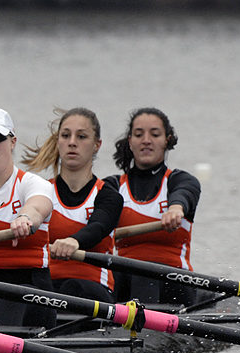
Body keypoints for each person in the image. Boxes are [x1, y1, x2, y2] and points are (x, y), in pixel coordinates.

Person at [0, 106, 56, 328]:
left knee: (10, 298)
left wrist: (26, 218)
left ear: (12, 141)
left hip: (32, 288)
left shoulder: (34, 184)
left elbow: (38, 206)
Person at [22, 107, 123, 302]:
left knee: (73, 287)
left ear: (97, 145)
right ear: (58, 142)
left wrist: (74, 241)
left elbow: (98, 226)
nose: (72, 142)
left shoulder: (109, 196)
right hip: (47, 288)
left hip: (93, 290)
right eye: (66, 135)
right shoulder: (40, 193)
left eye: (82, 137)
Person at [105, 107, 202, 305]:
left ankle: (143, 330)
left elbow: (184, 194)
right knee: (103, 276)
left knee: (144, 273)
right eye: (139, 134)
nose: (146, 140)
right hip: (125, 280)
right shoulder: (112, 187)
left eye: (155, 134)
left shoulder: (180, 180)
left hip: (175, 283)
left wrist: (175, 209)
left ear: (167, 139)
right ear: (130, 141)